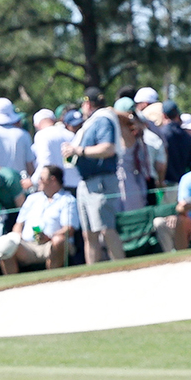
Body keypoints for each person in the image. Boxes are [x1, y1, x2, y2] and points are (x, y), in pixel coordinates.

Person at [71, 87, 125, 263]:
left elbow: (107, 148)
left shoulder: (102, 119)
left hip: (101, 180)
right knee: (89, 234)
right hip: (87, 182)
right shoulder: (94, 120)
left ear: (87, 103)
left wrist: (79, 151)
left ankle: (122, 269)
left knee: (106, 229)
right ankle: (93, 274)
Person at [0, 165, 77, 273]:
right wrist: (17, 236)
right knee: (5, 244)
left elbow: (69, 229)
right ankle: (12, 284)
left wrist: (48, 237)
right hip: (28, 246)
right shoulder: (32, 199)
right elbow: (18, 225)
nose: (38, 181)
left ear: (52, 180)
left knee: (59, 241)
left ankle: (52, 278)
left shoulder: (67, 200)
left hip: (52, 245)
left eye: (41, 178)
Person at [31, 107, 79, 191]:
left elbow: (45, 162)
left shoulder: (41, 135)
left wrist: (33, 181)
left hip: (56, 186)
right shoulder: (70, 134)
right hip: (75, 183)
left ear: (37, 124)